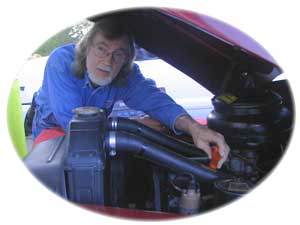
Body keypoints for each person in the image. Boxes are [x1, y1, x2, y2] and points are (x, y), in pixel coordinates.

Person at [32, 17, 230, 168]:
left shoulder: (127, 74)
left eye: (119, 54)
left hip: (97, 132)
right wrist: (134, 125)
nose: (108, 62)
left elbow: (156, 101)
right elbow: (73, 123)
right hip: (53, 131)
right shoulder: (61, 62)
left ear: (127, 59)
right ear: (86, 47)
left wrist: (195, 128)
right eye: (101, 49)